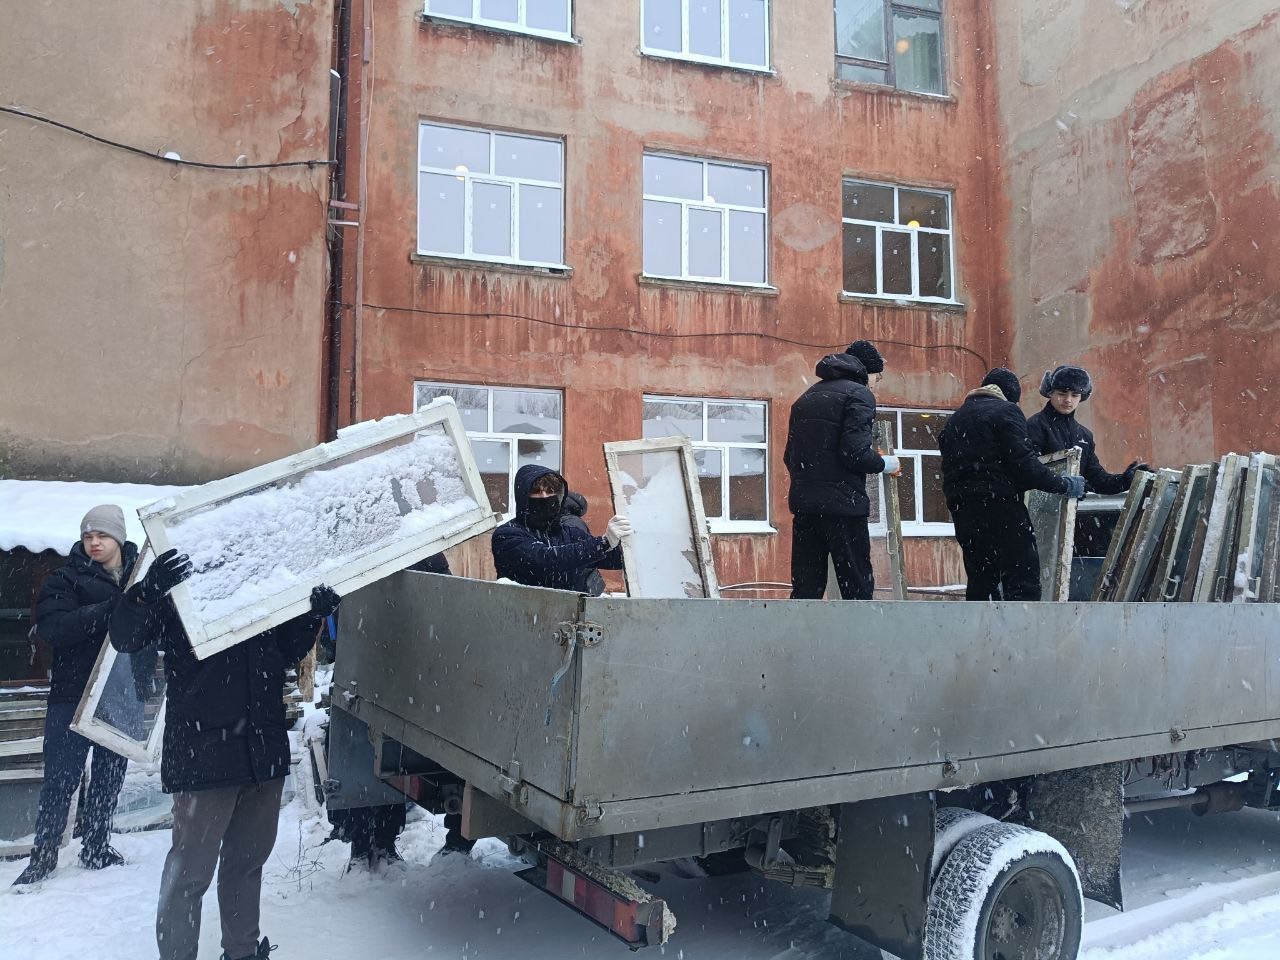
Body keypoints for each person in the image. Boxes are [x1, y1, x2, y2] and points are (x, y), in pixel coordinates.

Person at [109, 548, 340, 960]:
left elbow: (285, 650)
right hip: (203, 757)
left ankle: (242, 952)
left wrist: (311, 616)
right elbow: (125, 636)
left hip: (262, 753)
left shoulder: (267, 577)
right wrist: (146, 592)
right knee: (189, 874)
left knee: (246, 865)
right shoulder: (184, 575)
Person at [13, 505, 137, 885]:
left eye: (102, 535)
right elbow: (55, 629)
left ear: (119, 538)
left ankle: (97, 846)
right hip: (72, 693)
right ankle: (43, 857)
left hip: (120, 693)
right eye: (88, 536)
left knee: (109, 776)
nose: (94, 542)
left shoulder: (139, 578)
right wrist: (112, 609)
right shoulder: (64, 579)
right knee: (61, 778)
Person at [938, 368, 1087, 601]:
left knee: (981, 578)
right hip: (1000, 506)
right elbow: (1024, 465)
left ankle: (982, 624)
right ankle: (1022, 624)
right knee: (1022, 577)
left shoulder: (955, 419)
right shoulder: (1006, 411)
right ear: (1010, 395)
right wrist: (1063, 484)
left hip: (962, 510)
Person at [783, 339, 900, 600]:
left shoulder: (806, 398)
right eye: (876, 376)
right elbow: (854, 453)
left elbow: (790, 457)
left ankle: (800, 628)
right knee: (856, 586)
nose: (875, 383)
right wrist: (884, 463)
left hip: (806, 508)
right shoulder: (859, 395)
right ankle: (859, 629)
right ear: (866, 371)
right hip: (844, 508)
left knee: (806, 588)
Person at [491, 465, 628, 592]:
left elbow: (609, 558)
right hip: (524, 608)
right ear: (523, 497)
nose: (544, 497)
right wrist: (603, 543)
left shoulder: (569, 533)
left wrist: (631, 546)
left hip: (572, 609)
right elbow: (546, 560)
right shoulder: (507, 534)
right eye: (536, 491)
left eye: (550, 491)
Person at [1026, 364, 1150, 493]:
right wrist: (1066, 486)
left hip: (1072, 505)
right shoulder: (1035, 426)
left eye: (1075, 395)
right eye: (1062, 393)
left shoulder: (1084, 435)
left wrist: (1126, 480)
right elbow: (1030, 470)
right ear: (1050, 393)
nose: (1068, 400)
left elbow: (1097, 479)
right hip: (1038, 505)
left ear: (1081, 397)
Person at [561, 490, 606, 596]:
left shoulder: (569, 523)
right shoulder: (574, 521)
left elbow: (574, 555)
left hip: (576, 583)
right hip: (581, 578)